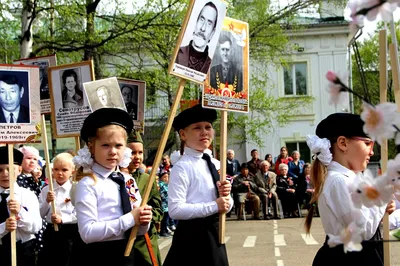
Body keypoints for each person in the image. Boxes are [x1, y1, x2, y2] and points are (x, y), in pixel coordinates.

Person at [305, 113, 396, 266]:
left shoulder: (352, 179)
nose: (372, 151)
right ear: (343, 143)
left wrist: (382, 212)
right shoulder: (338, 181)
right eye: (367, 143)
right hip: (349, 259)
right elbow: (363, 229)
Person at [73, 108, 152, 266]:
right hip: (100, 256)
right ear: (91, 147)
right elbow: (87, 233)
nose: (113, 151)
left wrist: (144, 221)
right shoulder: (88, 183)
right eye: (105, 145)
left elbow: (139, 230)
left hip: (128, 253)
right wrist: (130, 218)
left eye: (118, 145)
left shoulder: (128, 180)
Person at [163, 104, 232, 266]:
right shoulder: (182, 167)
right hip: (192, 238)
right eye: (197, 128)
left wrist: (226, 196)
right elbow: (175, 210)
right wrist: (214, 206)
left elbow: (226, 205)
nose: (204, 132)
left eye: (208, 127)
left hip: (215, 235)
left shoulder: (215, 163)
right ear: (183, 134)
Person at [126, 129, 163, 266]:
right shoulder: (116, 178)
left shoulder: (147, 179)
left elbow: (159, 209)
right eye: (132, 152)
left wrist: (148, 216)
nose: (137, 157)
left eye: (140, 152)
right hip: (123, 240)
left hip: (145, 240)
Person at [0, 146, 42, 266]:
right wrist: (4, 227)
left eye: (9, 169)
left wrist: (20, 212)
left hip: (23, 250)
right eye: (0, 170)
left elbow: (36, 227)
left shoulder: (27, 195)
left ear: (19, 170)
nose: (5, 174)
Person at [37, 153, 80, 266]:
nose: (59, 173)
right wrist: (47, 201)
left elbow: (79, 213)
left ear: (72, 171)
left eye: (64, 170)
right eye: (56, 169)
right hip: (51, 232)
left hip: (69, 231)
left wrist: (63, 219)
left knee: (68, 260)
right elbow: (40, 213)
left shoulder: (76, 188)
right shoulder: (47, 189)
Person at [175, 2, 218, 74]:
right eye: (202, 20)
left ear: (212, 33)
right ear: (196, 23)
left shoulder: (212, 67)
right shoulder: (177, 53)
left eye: (209, 23)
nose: (203, 28)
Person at [159, 172, 175, 237]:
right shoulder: (161, 185)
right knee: (164, 220)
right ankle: (163, 231)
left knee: (166, 219)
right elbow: (162, 195)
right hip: (163, 205)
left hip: (168, 205)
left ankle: (165, 230)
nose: (166, 178)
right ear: (161, 178)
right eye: (164, 177)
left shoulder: (167, 184)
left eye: (167, 177)